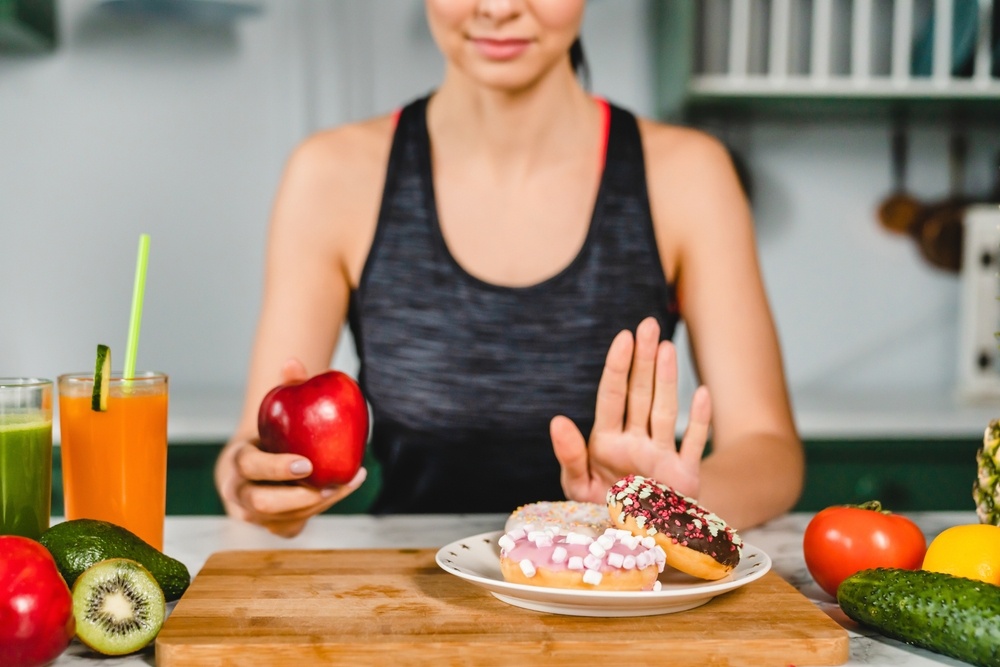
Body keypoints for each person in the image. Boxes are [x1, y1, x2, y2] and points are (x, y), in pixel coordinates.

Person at [214, 0, 804, 538]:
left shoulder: (689, 174)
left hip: (618, 604)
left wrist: (666, 506)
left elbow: (769, 448)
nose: (497, 8)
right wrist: (256, 482)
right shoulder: (330, 174)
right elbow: (248, 449)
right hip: (409, 603)